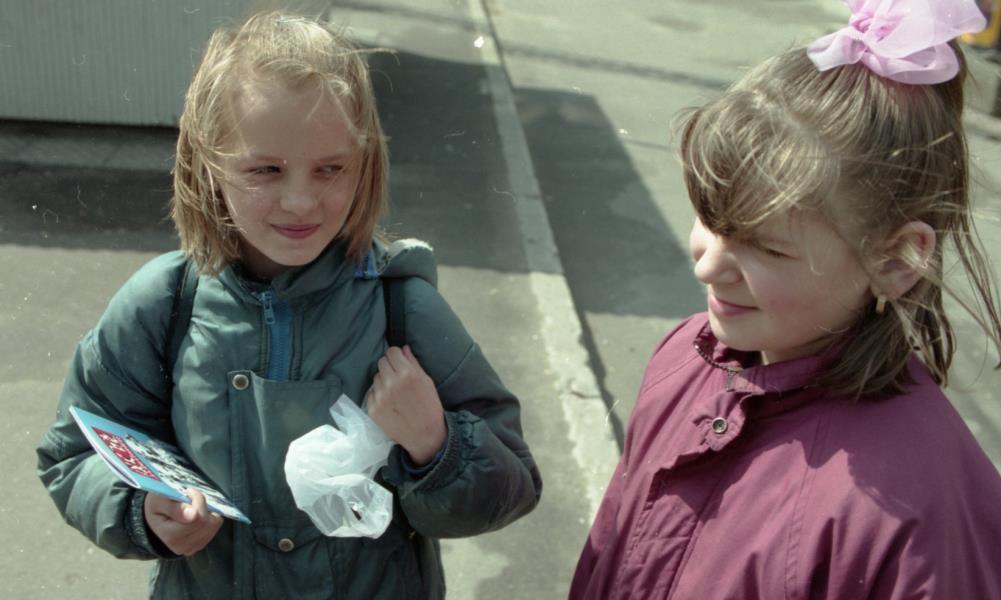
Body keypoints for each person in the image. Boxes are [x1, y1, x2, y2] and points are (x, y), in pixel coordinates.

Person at [37, 10, 541, 599]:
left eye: (330, 169)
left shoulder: (403, 308)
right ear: (209, 165)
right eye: (265, 170)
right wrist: (139, 511)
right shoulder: (162, 304)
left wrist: (436, 444)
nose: (300, 201)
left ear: (365, 166)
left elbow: (515, 483)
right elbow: (74, 454)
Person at [570, 1, 1001, 598]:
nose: (707, 265)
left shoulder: (919, 514)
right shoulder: (685, 356)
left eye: (767, 249)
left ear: (897, 261)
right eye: (711, 217)